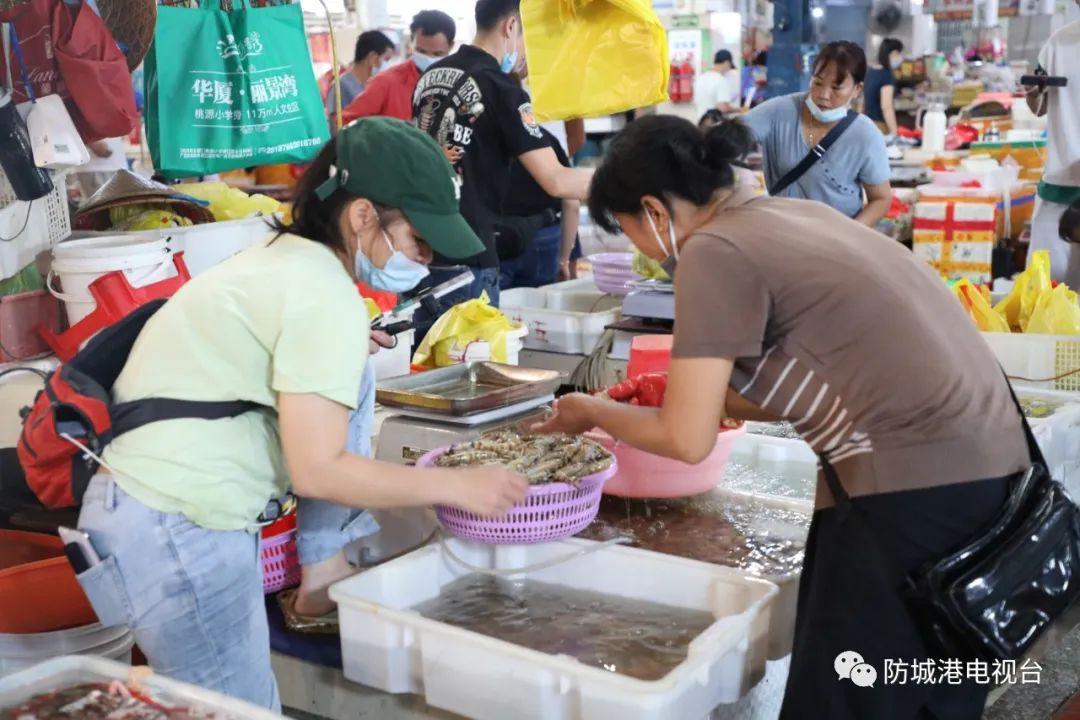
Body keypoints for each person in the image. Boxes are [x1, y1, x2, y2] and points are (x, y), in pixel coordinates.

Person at [532, 115, 1030, 720]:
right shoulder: (798, 215)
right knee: (933, 680)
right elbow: (836, 375)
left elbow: (685, 442)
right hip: (992, 469)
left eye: (629, 231)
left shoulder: (711, 251)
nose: (637, 249)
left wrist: (591, 409)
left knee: (847, 694)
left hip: (910, 486)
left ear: (654, 212)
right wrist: (701, 393)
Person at [74, 118, 529, 709]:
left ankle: (324, 570)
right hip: (175, 524)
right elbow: (319, 471)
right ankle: (325, 572)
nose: (424, 259)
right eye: (419, 239)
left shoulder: (283, 258)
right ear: (362, 216)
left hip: (147, 509)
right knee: (238, 710)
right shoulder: (323, 294)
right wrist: (457, 485)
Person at [410, 0, 592, 327]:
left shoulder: (431, 75)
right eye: (527, 39)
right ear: (510, 28)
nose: (525, 53)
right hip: (470, 258)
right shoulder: (502, 88)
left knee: (422, 368)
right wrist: (625, 182)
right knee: (469, 369)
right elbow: (557, 181)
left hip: (419, 252)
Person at [739, 41, 892, 226]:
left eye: (836, 88)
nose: (823, 94)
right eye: (818, 83)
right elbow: (728, 137)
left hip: (836, 243)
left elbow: (881, 199)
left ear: (856, 89)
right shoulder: (780, 111)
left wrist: (851, 234)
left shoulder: (865, 135)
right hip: (783, 236)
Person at [1026, 6, 1080, 288]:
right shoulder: (1058, 43)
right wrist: (1035, 91)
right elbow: (1037, 106)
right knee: (1043, 299)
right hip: (1058, 195)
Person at [498, 125, 580, 288]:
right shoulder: (544, 139)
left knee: (488, 311)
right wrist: (564, 259)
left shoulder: (472, 140)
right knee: (540, 309)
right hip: (543, 237)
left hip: (494, 238)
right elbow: (572, 203)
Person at [341, 11, 456, 124]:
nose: (429, 58)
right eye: (421, 51)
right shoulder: (386, 83)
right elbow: (347, 122)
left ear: (451, 46)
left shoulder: (461, 85)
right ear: (411, 42)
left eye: (437, 54)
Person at [324, 30, 396, 119]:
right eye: (386, 60)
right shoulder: (340, 87)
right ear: (372, 57)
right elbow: (335, 126)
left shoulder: (372, 86)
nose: (388, 65)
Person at [863, 38, 904, 136]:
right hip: (880, 126)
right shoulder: (886, 75)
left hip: (867, 124)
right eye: (898, 54)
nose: (900, 57)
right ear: (891, 54)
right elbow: (886, 107)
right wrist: (894, 132)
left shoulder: (871, 72)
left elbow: (864, 102)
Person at [694, 49, 740, 120]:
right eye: (729, 67)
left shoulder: (701, 78)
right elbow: (723, 107)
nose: (728, 70)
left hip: (701, 122)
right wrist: (740, 110)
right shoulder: (721, 80)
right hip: (715, 125)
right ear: (727, 63)